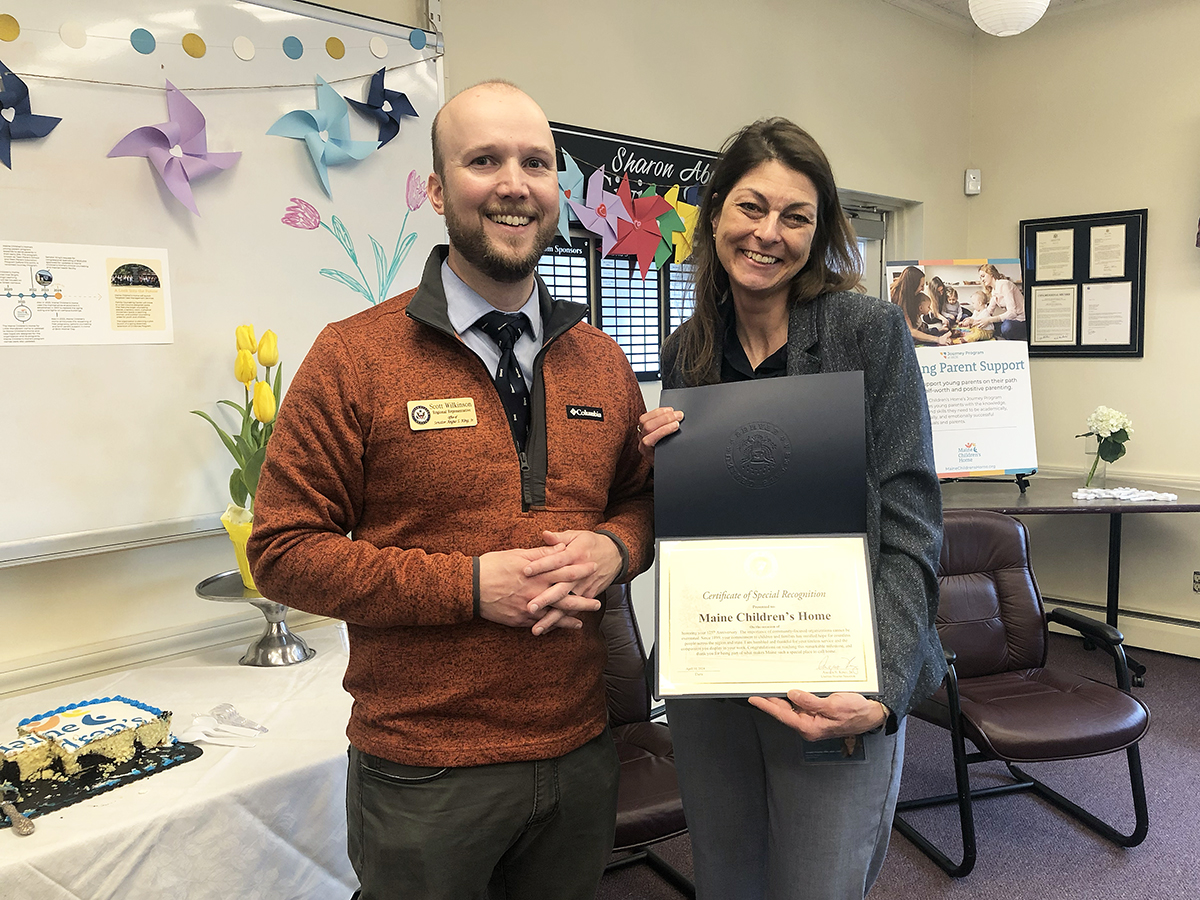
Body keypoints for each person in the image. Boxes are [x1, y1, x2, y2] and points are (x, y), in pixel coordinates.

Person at [247, 80, 654, 900]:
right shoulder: (354, 356)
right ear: (437, 190)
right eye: (483, 160)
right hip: (425, 775)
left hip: (579, 753)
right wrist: (471, 586)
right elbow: (283, 554)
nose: (514, 183)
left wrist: (615, 548)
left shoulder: (601, 362)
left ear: (559, 191)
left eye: (536, 163)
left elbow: (640, 501)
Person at [638, 118, 945, 900]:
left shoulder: (866, 332)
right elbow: (691, 518)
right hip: (714, 680)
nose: (768, 234)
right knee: (728, 877)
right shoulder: (689, 350)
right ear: (715, 217)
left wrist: (878, 689)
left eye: (795, 216)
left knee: (819, 883)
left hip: (837, 676)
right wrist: (655, 465)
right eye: (750, 207)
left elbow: (912, 516)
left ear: (820, 229)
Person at [889, 265, 950, 345]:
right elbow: (911, 331)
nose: (923, 289)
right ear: (913, 285)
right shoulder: (898, 297)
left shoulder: (907, 295)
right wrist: (938, 339)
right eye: (921, 286)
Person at [973, 263, 1027, 340]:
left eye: (983, 276)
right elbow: (988, 311)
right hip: (1012, 320)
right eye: (980, 277)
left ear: (991, 274)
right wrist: (973, 320)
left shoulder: (1004, 284)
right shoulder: (994, 291)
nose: (982, 279)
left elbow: (1012, 313)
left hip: (1022, 320)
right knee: (990, 325)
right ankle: (1002, 333)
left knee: (1006, 327)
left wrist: (989, 320)